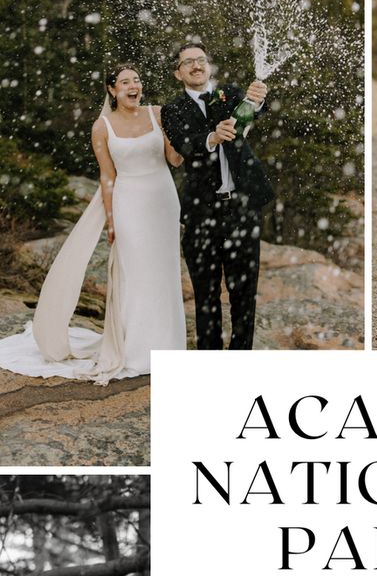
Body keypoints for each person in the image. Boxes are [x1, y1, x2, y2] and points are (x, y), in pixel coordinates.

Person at [0, 64, 187, 384]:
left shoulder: (158, 114)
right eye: (125, 82)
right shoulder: (102, 127)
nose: (133, 86)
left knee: (164, 273)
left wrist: (182, 133)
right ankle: (135, 349)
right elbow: (107, 176)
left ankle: (167, 347)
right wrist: (112, 220)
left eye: (137, 80)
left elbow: (174, 160)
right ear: (112, 90)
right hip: (129, 205)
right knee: (135, 274)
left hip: (163, 203)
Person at [161, 42, 275, 351]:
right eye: (188, 63)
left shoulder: (232, 94)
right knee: (206, 295)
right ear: (178, 73)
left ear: (208, 65)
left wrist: (257, 100)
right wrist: (212, 137)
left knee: (244, 292)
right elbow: (185, 146)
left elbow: (251, 114)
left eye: (200, 60)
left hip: (242, 207)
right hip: (202, 214)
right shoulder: (172, 110)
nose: (196, 66)